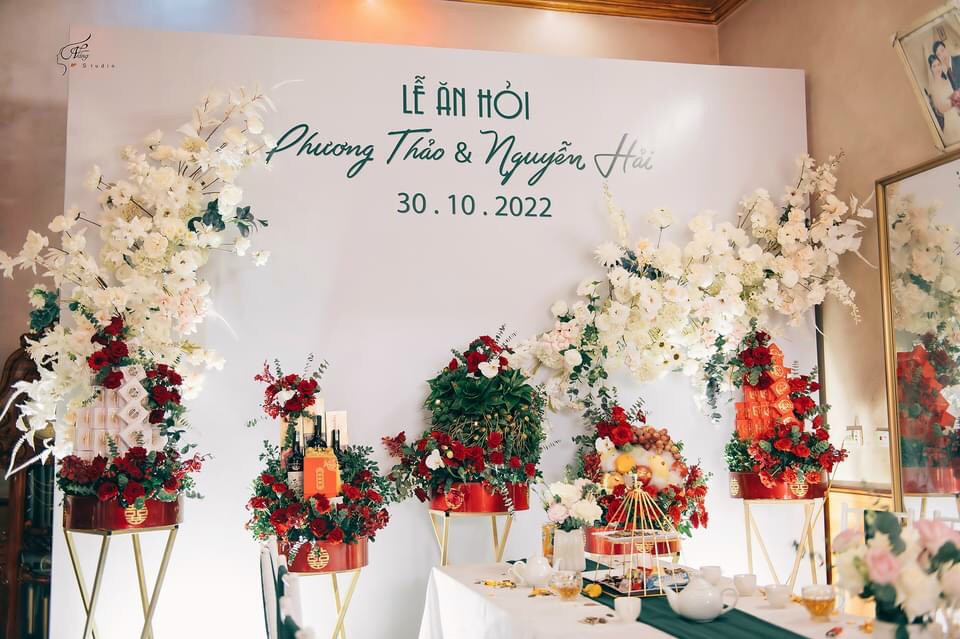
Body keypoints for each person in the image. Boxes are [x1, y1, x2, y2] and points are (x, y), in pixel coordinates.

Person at [929, 53, 960, 140]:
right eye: (934, 66)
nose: (937, 68)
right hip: (950, 120)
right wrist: (955, 98)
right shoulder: (933, 86)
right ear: (931, 69)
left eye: (938, 64)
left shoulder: (945, 79)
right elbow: (940, 108)